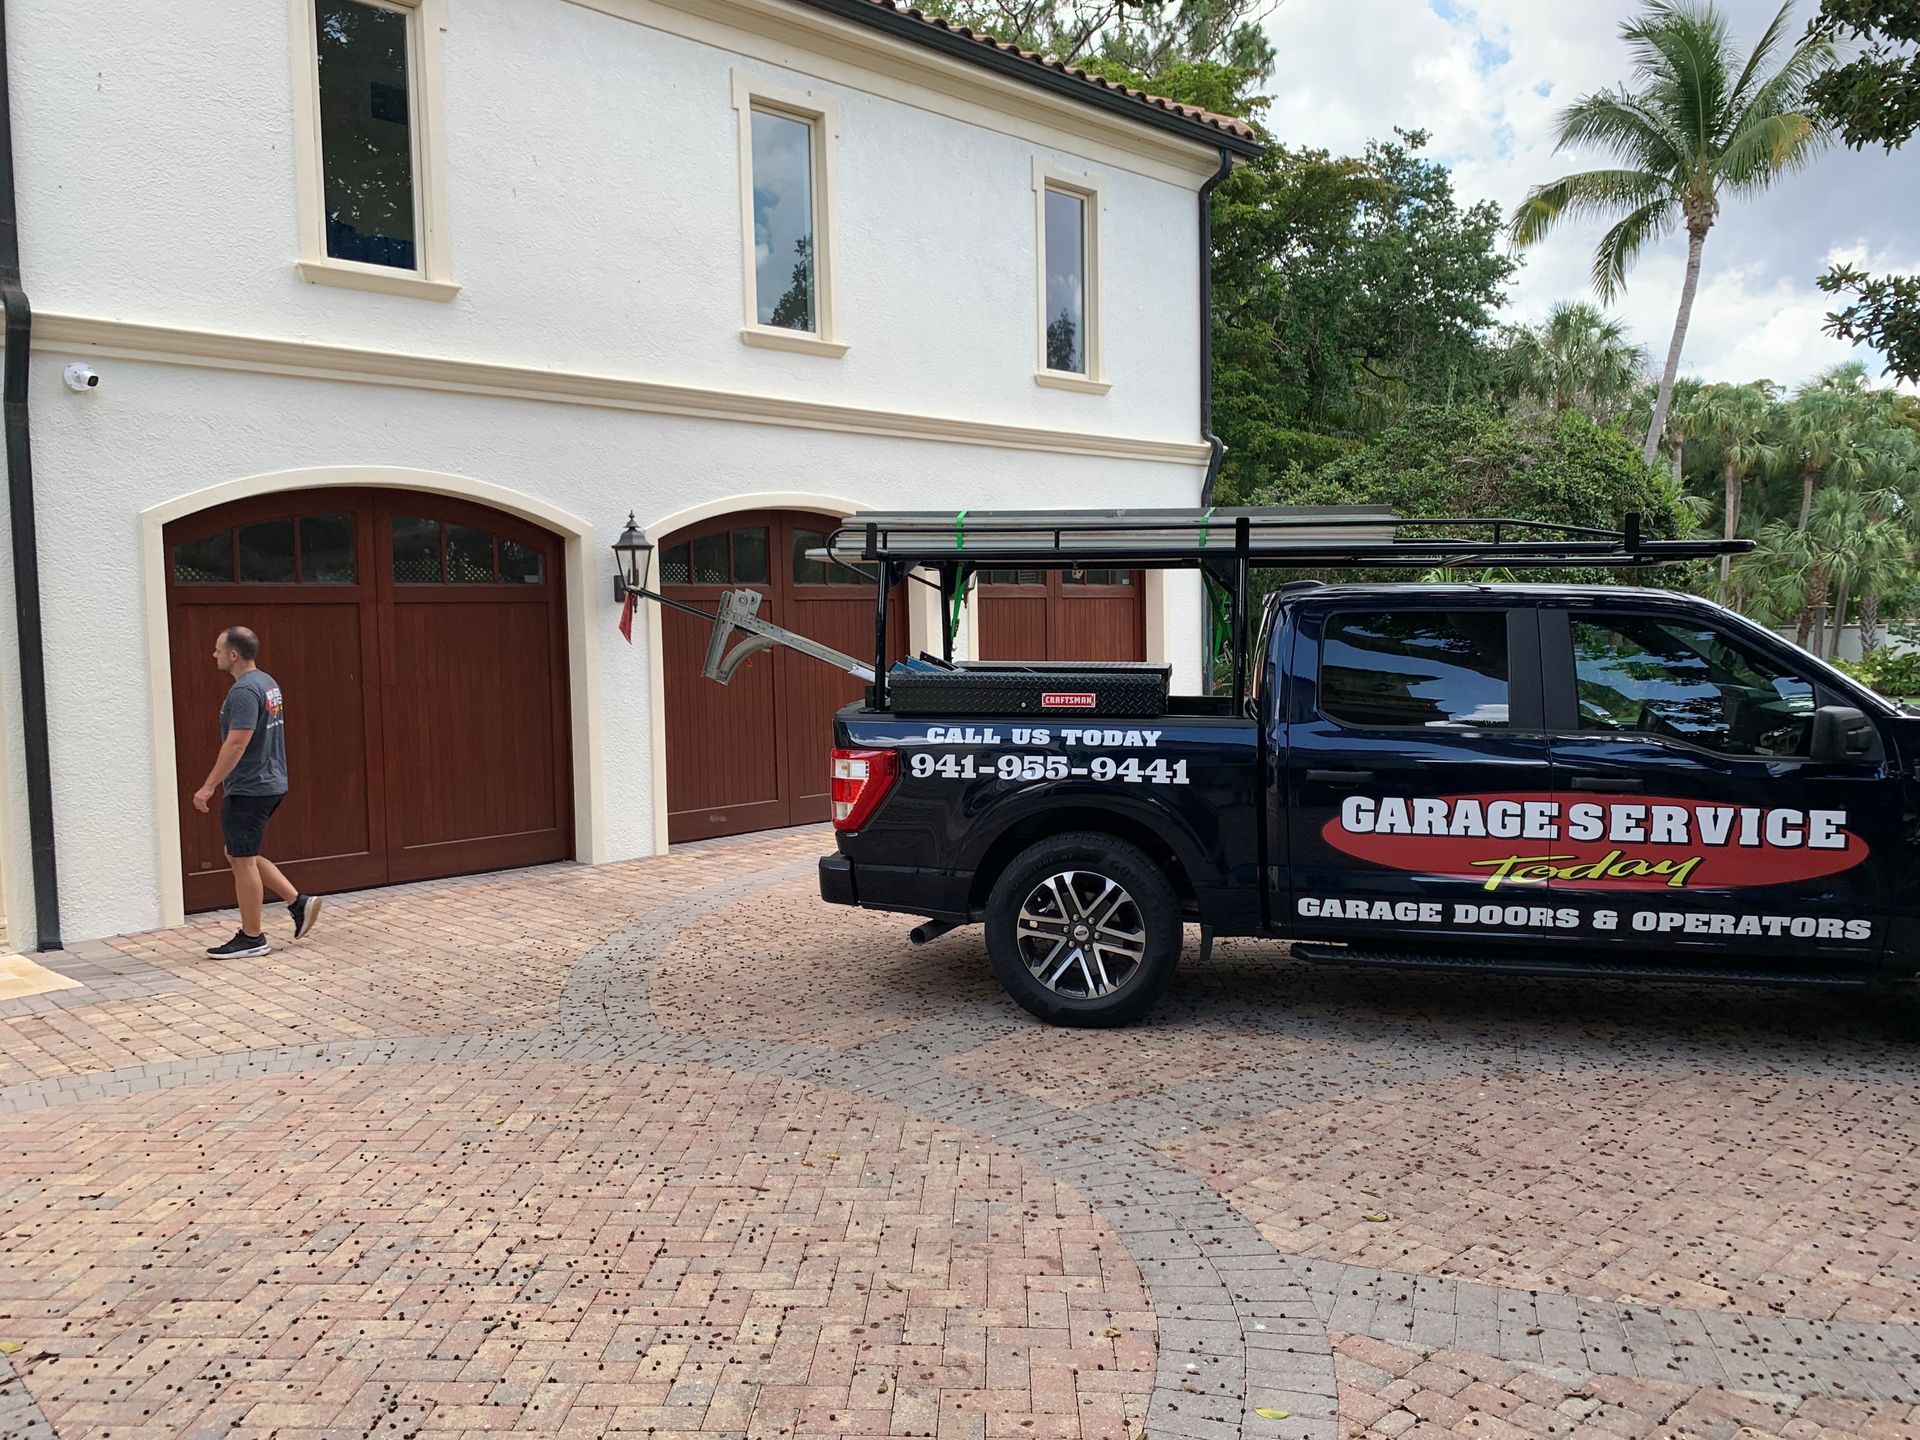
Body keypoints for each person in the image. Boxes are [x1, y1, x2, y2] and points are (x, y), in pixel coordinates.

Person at [192, 626, 321, 957]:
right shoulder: (268, 683)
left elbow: (237, 742)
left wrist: (208, 786)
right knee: (237, 854)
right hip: (270, 782)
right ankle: (297, 901)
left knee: (243, 858)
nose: (214, 655)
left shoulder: (244, 691)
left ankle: (252, 937)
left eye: (218, 649)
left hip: (251, 787)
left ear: (234, 654)